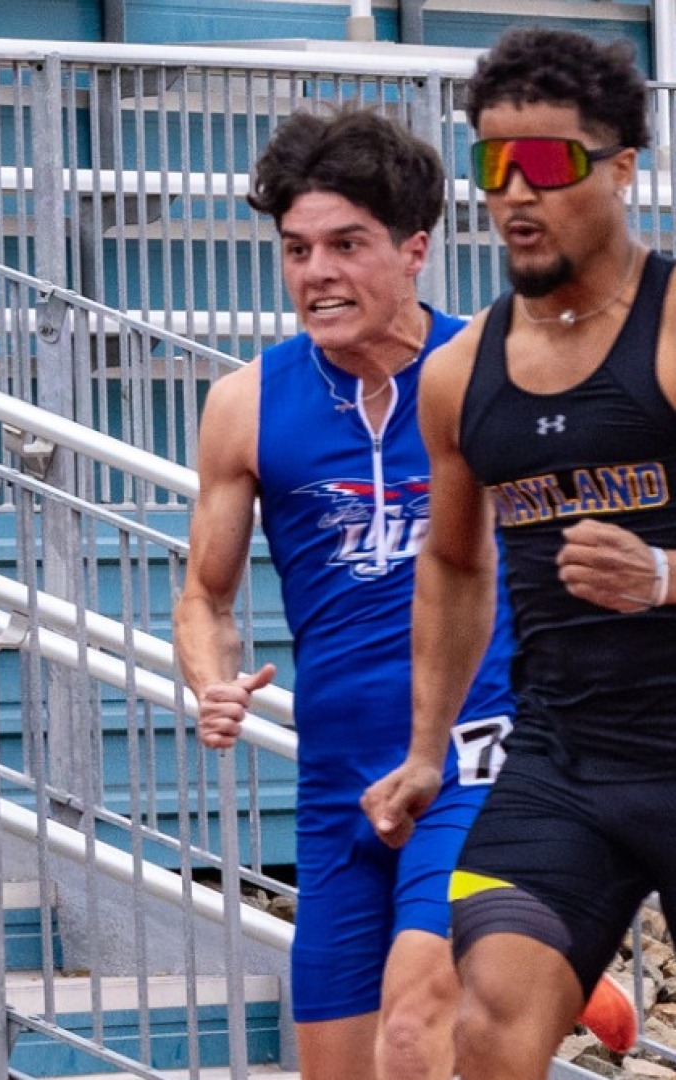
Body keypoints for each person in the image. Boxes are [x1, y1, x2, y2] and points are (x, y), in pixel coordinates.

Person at [173, 107, 519, 1080]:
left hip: (472, 756)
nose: (314, 272)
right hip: (334, 786)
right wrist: (209, 680)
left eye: (344, 244)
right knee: (338, 1069)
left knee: (411, 1033)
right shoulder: (244, 403)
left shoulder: (488, 371)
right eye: (294, 249)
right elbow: (204, 597)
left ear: (413, 250)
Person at [363, 27, 675, 1080]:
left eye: (544, 163)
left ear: (621, 167)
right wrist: (423, 747)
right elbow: (453, 566)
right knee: (485, 1019)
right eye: (491, 165)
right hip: (562, 767)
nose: (511, 193)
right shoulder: (459, 373)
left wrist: (664, 577)